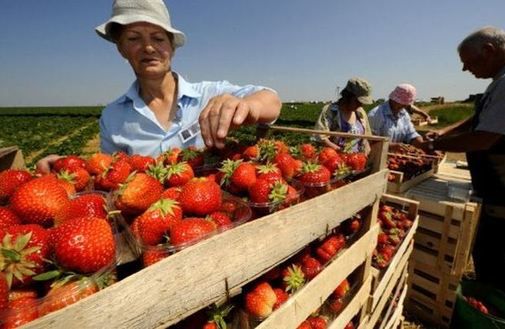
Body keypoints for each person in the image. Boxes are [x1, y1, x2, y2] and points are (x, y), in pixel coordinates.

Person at [37, 0, 281, 172]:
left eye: (158, 38)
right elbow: (110, 176)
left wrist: (247, 105)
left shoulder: (209, 93)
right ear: (121, 48)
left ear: (171, 47)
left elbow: (271, 100)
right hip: (152, 235)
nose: (149, 48)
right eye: (134, 38)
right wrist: (68, 166)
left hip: (214, 225)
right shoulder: (113, 117)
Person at [419, 26, 505, 293]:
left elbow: (484, 137)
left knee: (497, 262)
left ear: (489, 51)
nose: (466, 71)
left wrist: (434, 143)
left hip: (502, 196)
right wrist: (446, 130)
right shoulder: (499, 82)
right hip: (494, 193)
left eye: (468, 63)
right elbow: (480, 118)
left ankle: (491, 307)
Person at [314, 77, 373, 153]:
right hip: (333, 160)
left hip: (357, 160)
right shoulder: (330, 111)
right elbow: (320, 138)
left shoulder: (361, 112)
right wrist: (340, 151)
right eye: (357, 101)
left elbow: (366, 137)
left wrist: (366, 150)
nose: (360, 105)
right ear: (348, 96)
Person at [367, 83, 425, 151]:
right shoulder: (375, 114)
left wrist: (421, 143)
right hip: (377, 158)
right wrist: (391, 146)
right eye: (402, 103)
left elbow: (410, 133)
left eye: (405, 104)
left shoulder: (404, 114)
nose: (403, 106)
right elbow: (370, 140)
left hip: (396, 157)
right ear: (393, 99)